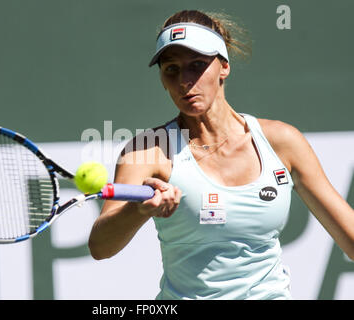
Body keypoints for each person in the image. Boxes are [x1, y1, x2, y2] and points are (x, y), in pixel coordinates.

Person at [88, 9, 354, 299]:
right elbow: (101, 248)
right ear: (162, 79)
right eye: (171, 69)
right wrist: (138, 210)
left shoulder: (282, 141)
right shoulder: (147, 151)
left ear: (224, 67)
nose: (185, 81)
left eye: (197, 65)